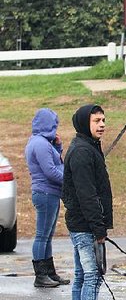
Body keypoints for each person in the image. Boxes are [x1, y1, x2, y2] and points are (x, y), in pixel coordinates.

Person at [61, 104, 121, 300]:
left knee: (81, 275)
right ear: (85, 123)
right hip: (85, 226)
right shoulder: (82, 152)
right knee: (92, 275)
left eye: (103, 120)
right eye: (97, 120)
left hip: (83, 224)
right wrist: (99, 228)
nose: (102, 124)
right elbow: (86, 195)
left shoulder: (87, 148)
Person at [24, 108, 68, 288]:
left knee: (47, 235)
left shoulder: (41, 142)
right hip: (46, 192)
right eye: (54, 124)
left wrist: (57, 145)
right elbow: (50, 171)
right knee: (42, 235)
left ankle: (50, 272)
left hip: (50, 192)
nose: (55, 127)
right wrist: (69, 181)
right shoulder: (40, 144)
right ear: (47, 124)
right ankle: (40, 275)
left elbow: (54, 160)